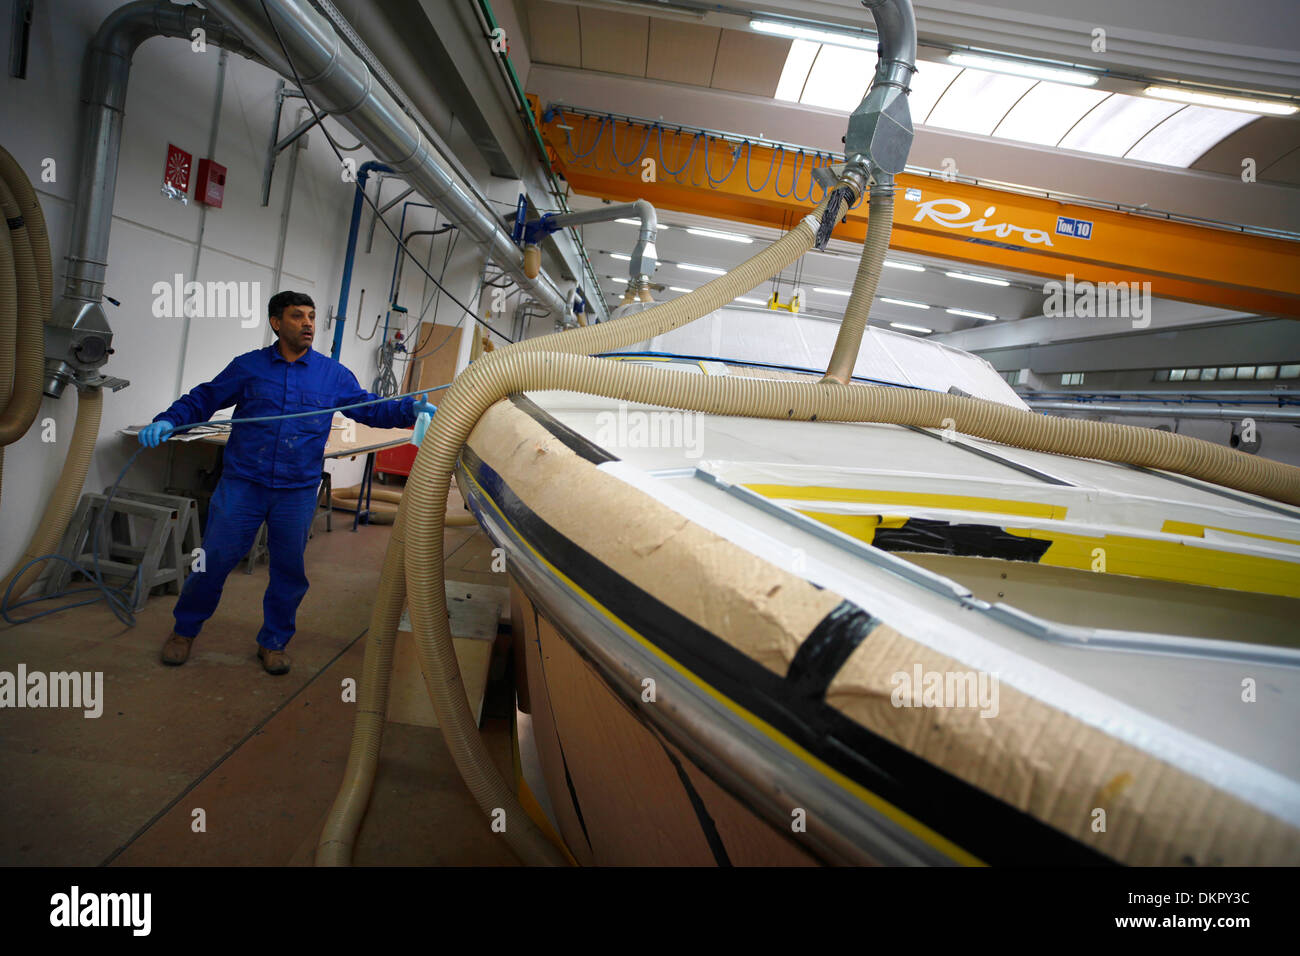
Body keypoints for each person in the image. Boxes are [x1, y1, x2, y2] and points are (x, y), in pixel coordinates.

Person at [138, 291, 436, 675]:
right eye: (297, 316)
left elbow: (368, 407)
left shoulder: (332, 375)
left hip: (296, 490)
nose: (308, 323)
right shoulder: (249, 368)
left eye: (311, 316)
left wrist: (406, 409)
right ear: (276, 323)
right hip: (244, 484)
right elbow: (205, 398)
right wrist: (169, 419)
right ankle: (184, 631)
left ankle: (274, 642)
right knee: (212, 562)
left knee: (288, 570)